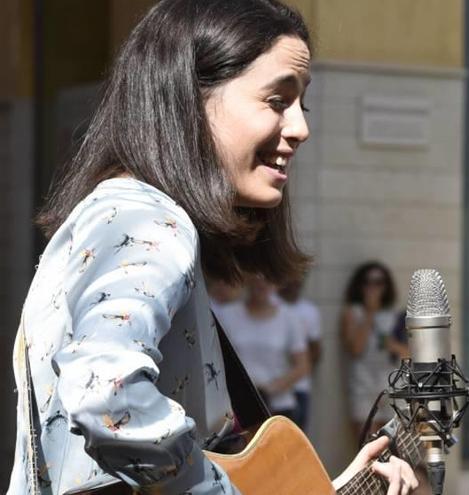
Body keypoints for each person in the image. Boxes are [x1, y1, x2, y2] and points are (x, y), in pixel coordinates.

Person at [8, 1, 417, 493]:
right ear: (191, 97)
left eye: (301, 105)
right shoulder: (146, 216)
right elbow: (105, 393)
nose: (300, 128)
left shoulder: (127, 214)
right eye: (277, 100)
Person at [212, 276, 310, 422]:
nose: (262, 282)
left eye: (268, 276)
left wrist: (270, 389)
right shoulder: (227, 315)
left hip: (278, 406)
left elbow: (302, 366)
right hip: (236, 407)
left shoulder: (289, 316)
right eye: (257, 276)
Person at [340, 261, 405, 442]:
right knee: (366, 444)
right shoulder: (353, 313)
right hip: (362, 385)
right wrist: (370, 312)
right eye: (367, 282)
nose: (373, 288)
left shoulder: (395, 315)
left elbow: (408, 353)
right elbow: (355, 349)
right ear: (360, 285)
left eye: (378, 282)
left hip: (390, 385)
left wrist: (392, 345)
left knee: (392, 446)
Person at [277, 277, 323, 430]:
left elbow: (316, 349)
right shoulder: (270, 306)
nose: (293, 282)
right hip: (271, 389)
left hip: (299, 387)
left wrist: (299, 366)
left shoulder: (309, 311)